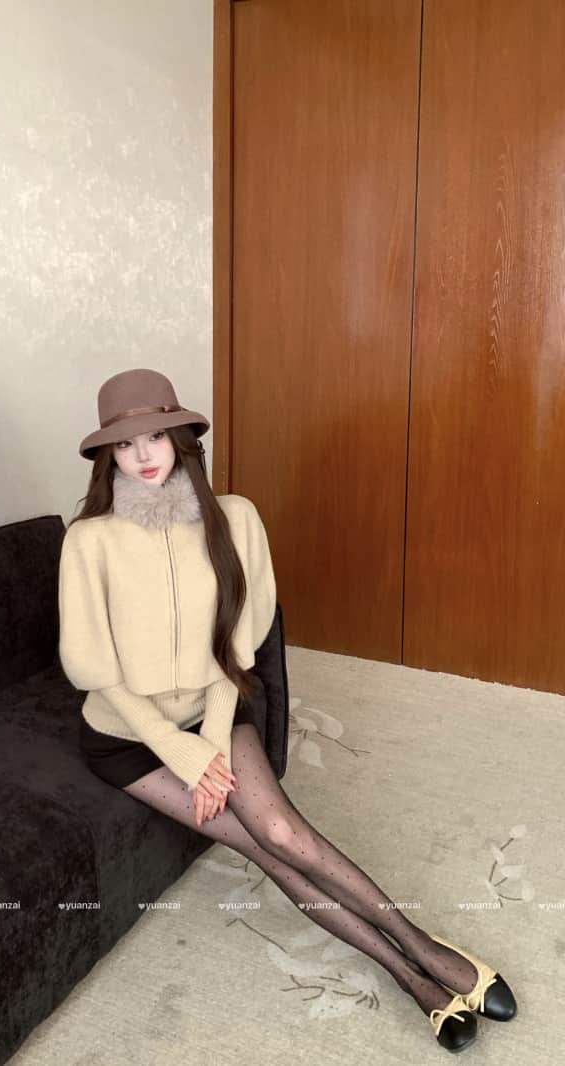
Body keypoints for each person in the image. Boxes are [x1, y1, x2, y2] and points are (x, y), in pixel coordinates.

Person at [57, 368, 517, 1052]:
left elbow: (238, 645)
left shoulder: (235, 518)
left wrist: (211, 741)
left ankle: (424, 948)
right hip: (128, 738)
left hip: (212, 711)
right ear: (107, 457)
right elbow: (92, 667)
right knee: (254, 842)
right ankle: (408, 976)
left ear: (181, 438)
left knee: (280, 832)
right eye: (125, 445)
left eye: (156, 435)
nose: (144, 455)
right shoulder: (89, 539)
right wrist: (179, 750)